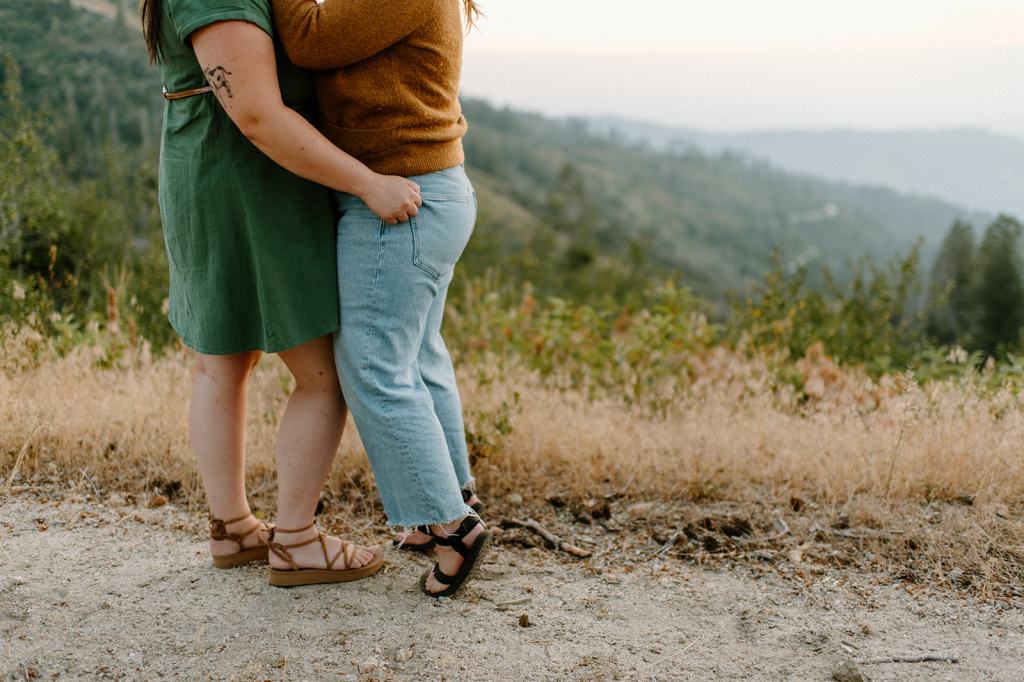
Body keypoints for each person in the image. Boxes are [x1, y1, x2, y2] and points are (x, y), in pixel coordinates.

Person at [140, 0, 424, 586]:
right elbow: (258, 118)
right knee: (322, 376)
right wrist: (367, 183)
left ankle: (234, 527)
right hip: (251, 182)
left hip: (210, 169)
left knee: (222, 364)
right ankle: (295, 540)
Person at [272, 0, 490, 597]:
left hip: (403, 199)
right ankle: (449, 499)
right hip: (420, 191)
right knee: (417, 354)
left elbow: (310, 41)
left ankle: (453, 529)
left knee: (373, 363)